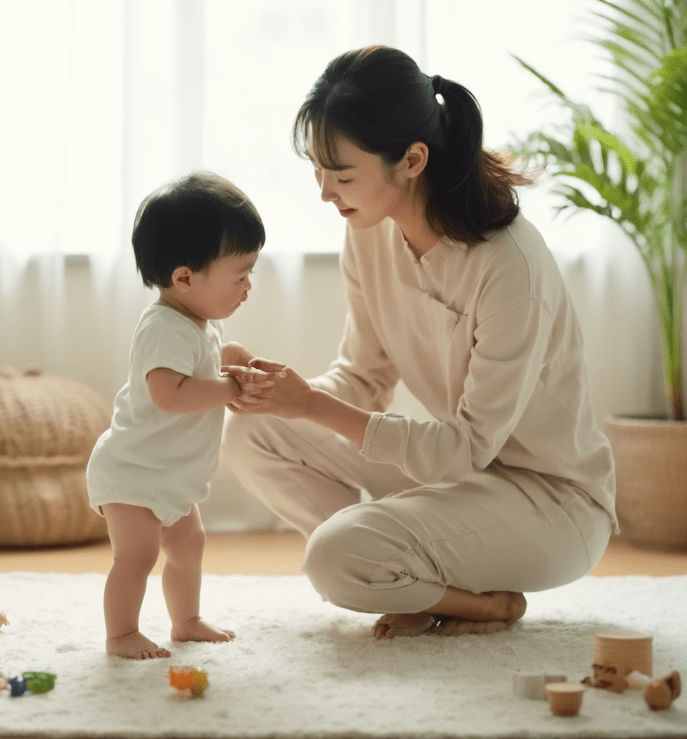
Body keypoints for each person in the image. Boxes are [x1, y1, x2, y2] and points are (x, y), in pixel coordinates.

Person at [222, 45, 617, 638]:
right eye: (317, 171)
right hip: (460, 482)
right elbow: (362, 377)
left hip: (552, 502)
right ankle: (408, 575)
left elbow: (466, 447)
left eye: (343, 175)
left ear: (411, 159)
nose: (326, 192)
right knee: (253, 432)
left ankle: (457, 591)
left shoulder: (509, 267)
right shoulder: (369, 232)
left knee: (332, 557)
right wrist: (277, 395)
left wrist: (308, 404)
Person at [87, 171, 271, 659]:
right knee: (138, 556)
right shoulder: (163, 327)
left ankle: (185, 620)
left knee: (189, 546)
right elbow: (170, 392)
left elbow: (207, 364)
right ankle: (121, 633)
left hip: (169, 476)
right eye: (241, 274)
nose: (248, 286)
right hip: (134, 474)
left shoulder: (201, 323)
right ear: (185, 277)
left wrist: (237, 363)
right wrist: (229, 388)